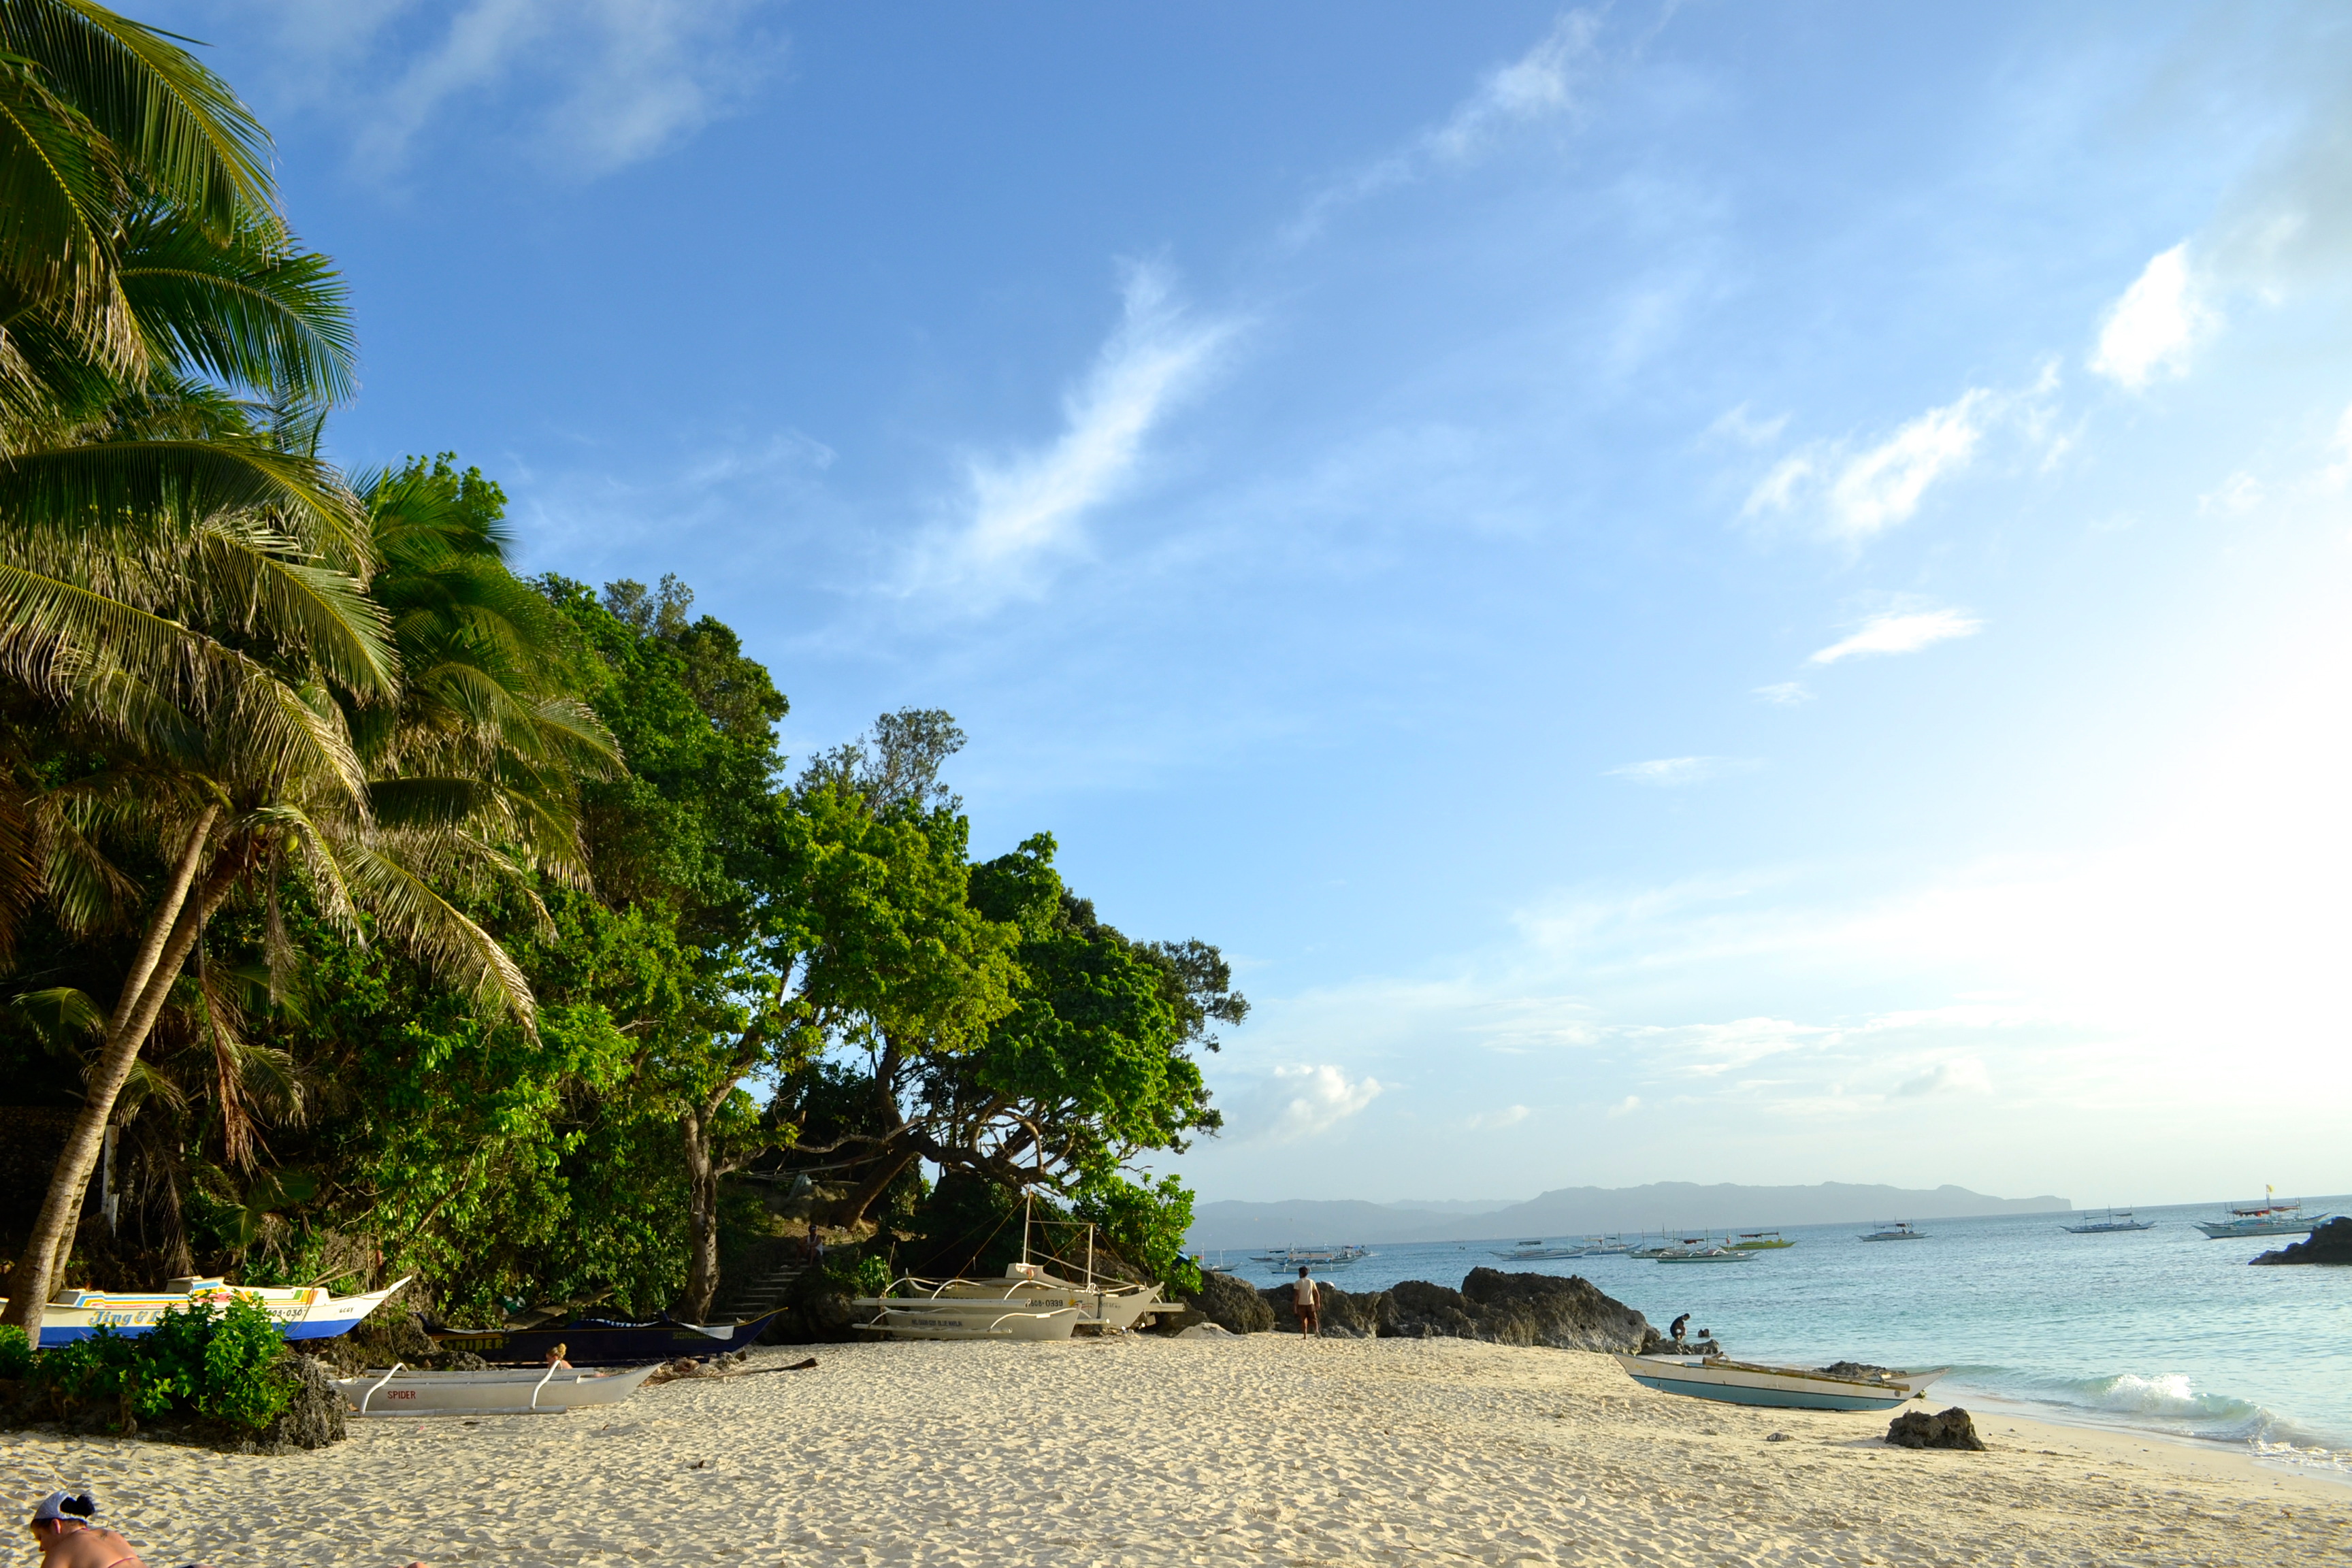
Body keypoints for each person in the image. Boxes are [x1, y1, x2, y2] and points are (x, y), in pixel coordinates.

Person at [26, 1492, 143, 1568]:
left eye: (41, 1537)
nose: (41, 1548)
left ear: (56, 1526)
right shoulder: (112, 1536)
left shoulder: (60, 1554)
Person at [1292, 1267, 1320, 1337]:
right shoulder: (1311, 1281)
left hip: (1302, 1304)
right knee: (1314, 1319)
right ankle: (1317, 1331)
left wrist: (1295, 1306)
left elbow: (1297, 1295)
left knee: (1304, 1320)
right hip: (1311, 1303)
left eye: (1299, 1273)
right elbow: (1317, 1293)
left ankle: (1305, 1336)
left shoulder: (1298, 1282)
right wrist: (1318, 1302)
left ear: (1301, 1274)